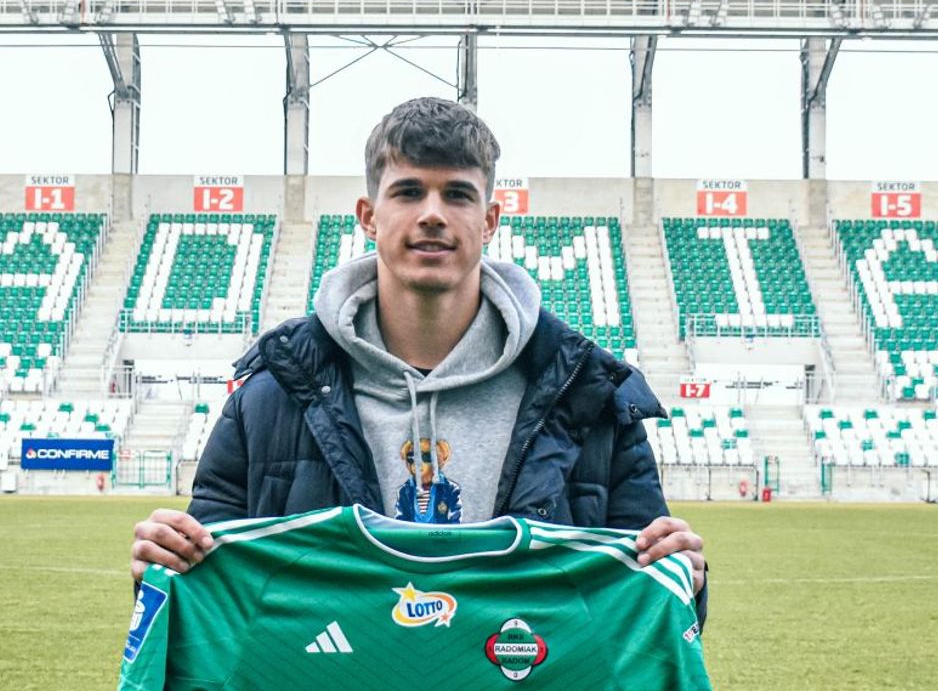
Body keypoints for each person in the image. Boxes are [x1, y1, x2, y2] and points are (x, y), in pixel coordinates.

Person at [130, 96, 706, 599]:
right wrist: (165, 568)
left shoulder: (589, 396)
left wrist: (684, 578)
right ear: (368, 217)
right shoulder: (271, 398)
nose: (432, 214)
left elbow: (648, 615)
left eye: (457, 194)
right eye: (408, 192)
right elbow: (205, 605)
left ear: (489, 220)